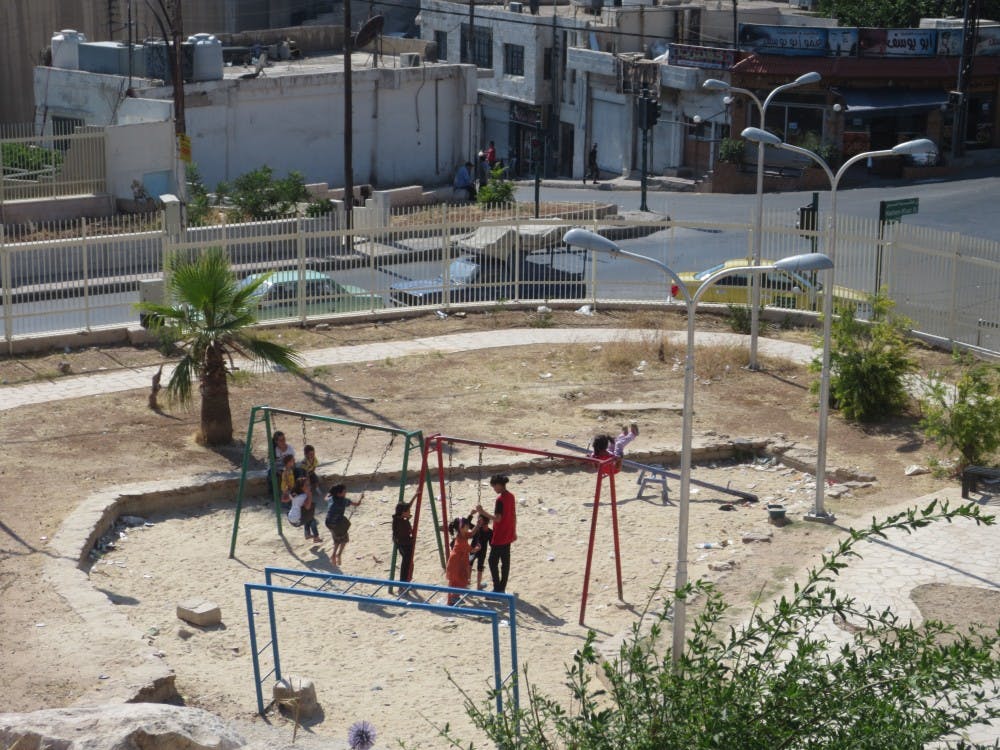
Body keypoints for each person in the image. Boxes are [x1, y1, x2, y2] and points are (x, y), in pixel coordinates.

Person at [476, 474, 516, 593]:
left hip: (500, 535)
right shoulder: (511, 496)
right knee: (505, 562)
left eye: (494, 487)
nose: (494, 489)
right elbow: (513, 515)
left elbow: (497, 519)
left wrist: (482, 511)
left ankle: (498, 588)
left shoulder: (500, 499)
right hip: (508, 533)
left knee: (492, 561)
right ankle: (502, 587)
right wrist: (514, 531)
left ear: (499, 485)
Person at [445, 515, 479, 605]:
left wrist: (478, 525)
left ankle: (454, 597)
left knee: (459, 580)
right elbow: (471, 549)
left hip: (458, 561)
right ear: (461, 528)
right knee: (457, 580)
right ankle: (453, 598)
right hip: (455, 563)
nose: (468, 527)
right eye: (467, 525)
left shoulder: (463, 534)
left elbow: (472, 533)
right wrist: (477, 548)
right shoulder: (460, 540)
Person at [325, 483, 361, 565]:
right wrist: (361, 498)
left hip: (328, 522)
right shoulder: (344, 501)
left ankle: (334, 555)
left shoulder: (331, 498)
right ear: (339, 493)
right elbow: (357, 504)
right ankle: (338, 554)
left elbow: (326, 497)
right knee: (344, 539)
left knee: (337, 538)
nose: (346, 493)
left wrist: (330, 492)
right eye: (344, 491)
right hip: (337, 523)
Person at [392, 500, 415, 582]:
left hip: (404, 543)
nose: (410, 512)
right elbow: (403, 535)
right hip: (405, 545)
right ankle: (404, 582)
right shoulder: (399, 522)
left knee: (409, 563)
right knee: (407, 564)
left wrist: (415, 496)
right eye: (408, 511)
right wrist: (411, 537)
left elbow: (408, 506)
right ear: (403, 512)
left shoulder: (400, 518)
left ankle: (407, 580)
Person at [470, 512, 493, 590]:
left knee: (480, 568)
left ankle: (478, 585)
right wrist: (471, 514)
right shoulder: (477, 528)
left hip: (482, 552)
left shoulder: (490, 532)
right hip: (472, 550)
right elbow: (468, 525)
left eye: (480, 520)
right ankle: (467, 583)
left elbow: (491, 544)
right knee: (469, 565)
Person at [299, 476, 321, 543]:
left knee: (307, 521)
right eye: (307, 485)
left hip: (304, 511)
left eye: (309, 484)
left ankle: (307, 534)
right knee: (313, 521)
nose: (309, 486)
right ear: (303, 486)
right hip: (306, 510)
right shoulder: (304, 494)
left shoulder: (302, 492)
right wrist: (309, 495)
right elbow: (306, 505)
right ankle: (316, 537)